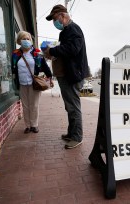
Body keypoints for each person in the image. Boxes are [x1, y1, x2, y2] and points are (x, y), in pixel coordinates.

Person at [45, 4, 90, 149]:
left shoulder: (73, 28)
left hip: (72, 75)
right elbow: (67, 50)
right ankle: (72, 133)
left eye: (55, 19)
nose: (54, 23)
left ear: (63, 15)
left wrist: (53, 50)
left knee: (73, 107)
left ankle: (77, 137)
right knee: (69, 106)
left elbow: (73, 49)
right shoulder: (66, 31)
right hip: (67, 74)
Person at [12, 31, 53, 134]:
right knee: (25, 106)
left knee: (34, 105)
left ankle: (34, 125)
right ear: (19, 41)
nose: (26, 41)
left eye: (28, 39)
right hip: (22, 83)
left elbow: (45, 66)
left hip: (34, 83)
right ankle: (27, 126)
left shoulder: (37, 53)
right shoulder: (15, 54)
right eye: (23, 39)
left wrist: (50, 77)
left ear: (30, 40)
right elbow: (13, 68)